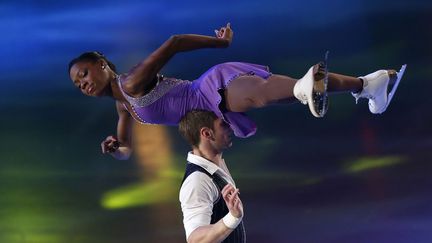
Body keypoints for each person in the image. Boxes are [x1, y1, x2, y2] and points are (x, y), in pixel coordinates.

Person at [68, 23, 406, 160]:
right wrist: (116, 148)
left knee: (262, 93)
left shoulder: (130, 83)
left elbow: (174, 43)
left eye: (84, 73)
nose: (83, 83)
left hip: (209, 90)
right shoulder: (124, 107)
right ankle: (369, 83)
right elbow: (126, 149)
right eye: (77, 83)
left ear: (101, 64)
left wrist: (221, 42)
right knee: (286, 93)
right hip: (212, 110)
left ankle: (307, 87)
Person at [178, 110, 245, 243]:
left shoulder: (215, 166)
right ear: (207, 133)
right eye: (224, 125)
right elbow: (195, 240)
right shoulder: (198, 181)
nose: (231, 128)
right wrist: (233, 217)